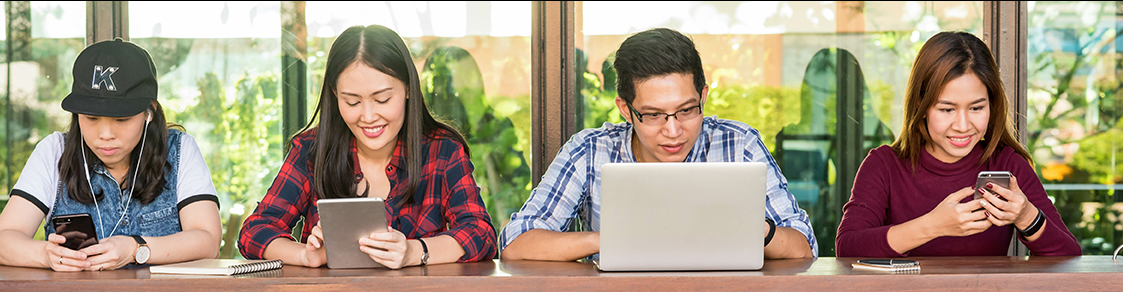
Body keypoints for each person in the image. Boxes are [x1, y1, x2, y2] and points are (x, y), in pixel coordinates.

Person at [499, 28, 816, 261]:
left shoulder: (738, 143)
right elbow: (516, 244)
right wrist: (611, 239)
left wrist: (754, 229)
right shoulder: (589, 151)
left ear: (703, 97)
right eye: (653, 115)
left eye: (687, 110)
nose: (674, 130)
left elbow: (804, 247)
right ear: (626, 110)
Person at [237, 25, 497, 269]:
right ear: (335, 94)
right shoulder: (311, 150)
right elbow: (255, 232)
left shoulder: (442, 151)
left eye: (382, 99)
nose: (369, 116)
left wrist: (412, 252)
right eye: (352, 102)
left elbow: (481, 233)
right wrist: (305, 255)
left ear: (407, 88)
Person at [835, 31, 1081, 257]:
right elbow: (847, 248)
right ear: (921, 108)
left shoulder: (1007, 164)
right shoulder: (884, 165)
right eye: (946, 109)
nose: (963, 125)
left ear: (992, 105)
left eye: (976, 108)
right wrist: (933, 225)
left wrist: (1026, 215)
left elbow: (1070, 258)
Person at [0, 39, 222, 271]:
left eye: (121, 119)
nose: (105, 134)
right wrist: (45, 255)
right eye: (91, 118)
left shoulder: (180, 150)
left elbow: (208, 241)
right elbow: (3, 242)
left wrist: (135, 249)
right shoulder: (54, 151)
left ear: (148, 112)